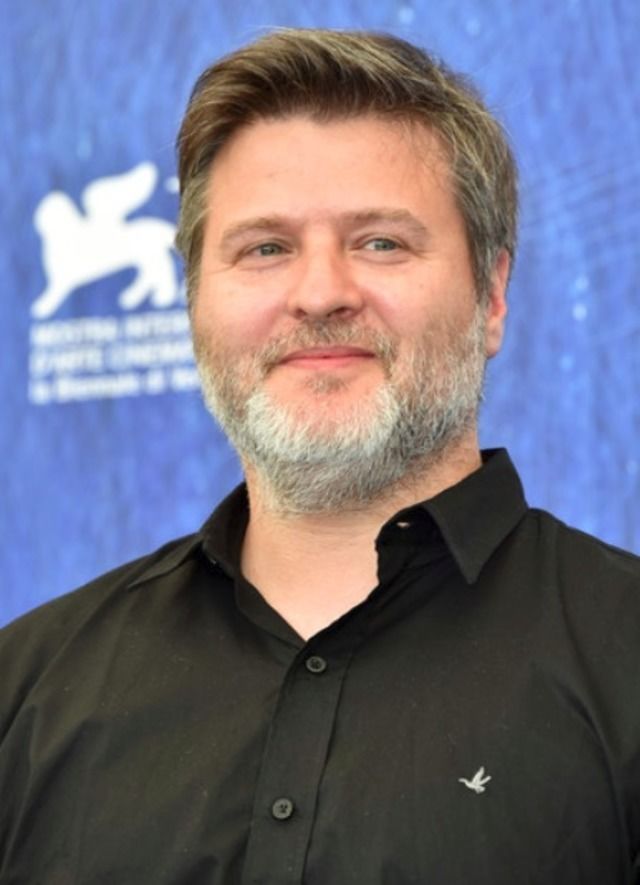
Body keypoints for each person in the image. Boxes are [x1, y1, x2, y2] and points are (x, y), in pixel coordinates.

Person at [1, 28, 639, 885]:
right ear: (193, 302)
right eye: (266, 248)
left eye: (380, 242)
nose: (320, 293)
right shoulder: (25, 692)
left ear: (491, 295)